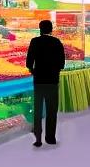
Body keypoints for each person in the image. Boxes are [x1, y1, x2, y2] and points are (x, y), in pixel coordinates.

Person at [26, 19, 65, 147]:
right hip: (53, 82)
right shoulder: (57, 42)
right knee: (51, 111)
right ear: (51, 29)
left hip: (39, 81)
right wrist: (54, 71)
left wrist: (34, 71)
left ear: (40, 29)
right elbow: (62, 64)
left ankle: (38, 139)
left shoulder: (35, 41)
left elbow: (29, 62)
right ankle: (50, 138)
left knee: (37, 110)